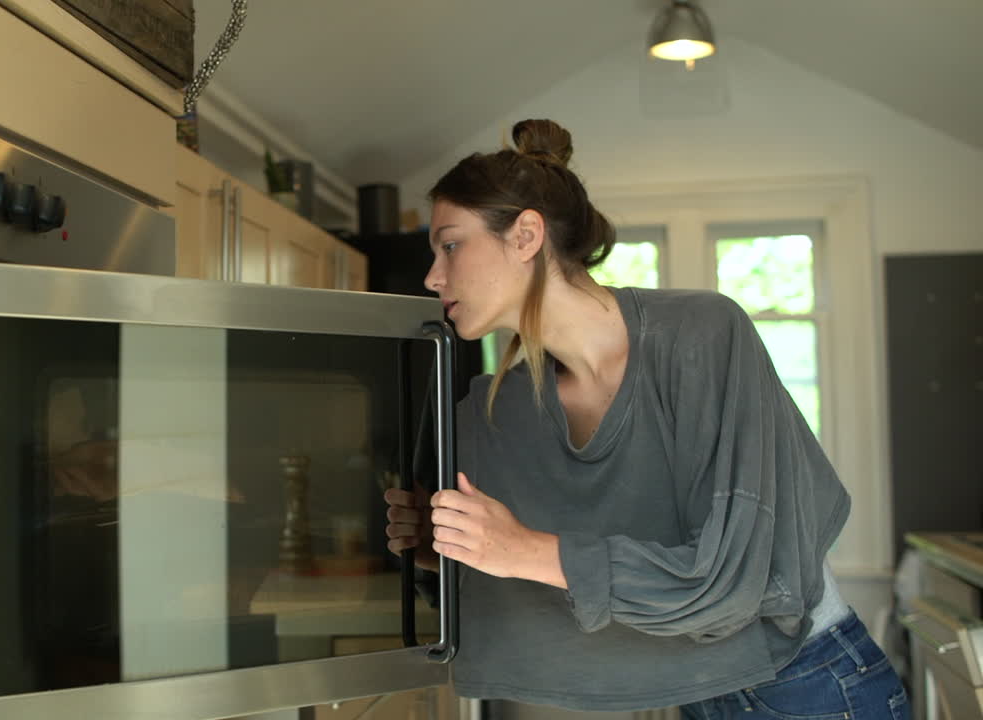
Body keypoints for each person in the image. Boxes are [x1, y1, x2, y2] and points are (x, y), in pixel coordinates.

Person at [384, 119, 908, 718]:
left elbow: (732, 582)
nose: (433, 275)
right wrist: (452, 552)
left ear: (526, 234)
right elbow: (584, 579)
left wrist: (522, 549)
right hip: (693, 691)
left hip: (808, 682)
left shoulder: (702, 335)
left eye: (450, 244)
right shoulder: (500, 409)